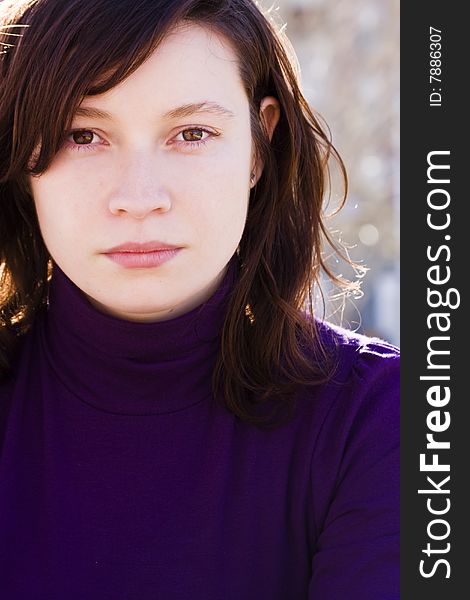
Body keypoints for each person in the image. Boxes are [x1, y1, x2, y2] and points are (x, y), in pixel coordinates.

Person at [0, 0, 399, 598]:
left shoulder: (385, 421)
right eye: (82, 134)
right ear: (23, 154)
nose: (138, 197)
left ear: (259, 146)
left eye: (191, 133)